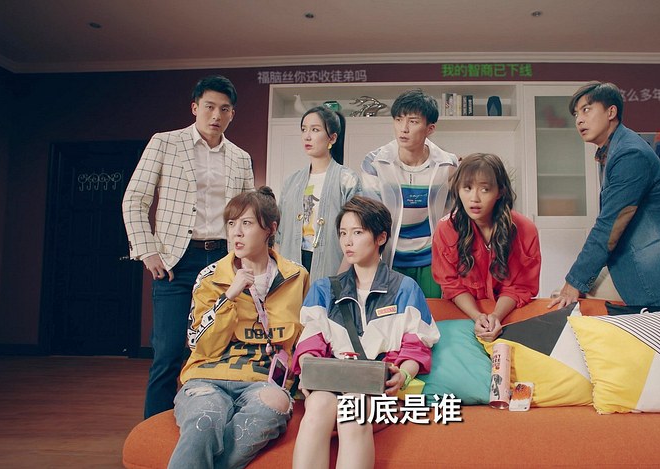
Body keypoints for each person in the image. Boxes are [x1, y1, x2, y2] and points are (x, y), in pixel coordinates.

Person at [122, 75, 255, 418]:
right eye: (209, 107)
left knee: (219, 348)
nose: (216, 115)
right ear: (195, 108)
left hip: (223, 261)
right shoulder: (165, 143)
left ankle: (207, 422)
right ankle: (154, 433)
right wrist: (148, 250)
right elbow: (134, 199)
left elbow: (248, 214)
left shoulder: (241, 157)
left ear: (232, 114)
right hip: (176, 261)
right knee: (167, 353)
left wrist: (248, 259)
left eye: (224, 109)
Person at [291, 196, 439, 469]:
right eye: (343, 233)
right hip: (330, 384)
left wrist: (403, 375)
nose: (348, 241)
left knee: (353, 409)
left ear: (381, 237)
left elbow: (416, 348)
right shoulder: (324, 289)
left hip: (377, 391)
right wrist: (307, 373)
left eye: (357, 232)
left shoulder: (405, 289)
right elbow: (309, 344)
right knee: (316, 408)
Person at [168, 187, 309, 469]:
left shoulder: (296, 276)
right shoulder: (211, 277)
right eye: (232, 224)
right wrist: (228, 296)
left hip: (263, 380)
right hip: (208, 377)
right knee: (206, 418)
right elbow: (199, 344)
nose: (237, 233)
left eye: (246, 223)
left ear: (271, 229)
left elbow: (302, 338)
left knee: (273, 406)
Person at [548, 81, 660, 310]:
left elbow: (610, 225)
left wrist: (574, 282)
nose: (579, 120)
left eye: (586, 110)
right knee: (563, 295)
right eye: (576, 114)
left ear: (611, 112)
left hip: (655, 266)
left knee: (567, 303)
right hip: (636, 257)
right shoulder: (616, 148)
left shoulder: (629, 154)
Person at [432, 153, 541, 341]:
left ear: (500, 192)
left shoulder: (525, 229)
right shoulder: (446, 229)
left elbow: (520, 286)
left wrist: (496, 316)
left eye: (485, 189)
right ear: (458, 189)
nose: (474, 198)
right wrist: (477, 317)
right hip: (464, 312)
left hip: (509, 311)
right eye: (467, 188)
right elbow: (452, 285)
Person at [361, 89, 458, 298]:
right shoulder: (375, 162)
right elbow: (371, 217)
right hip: (390, 257)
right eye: (398, 120)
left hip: (432, 258)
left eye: (413, 122)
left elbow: (453, 216)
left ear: (430, 128)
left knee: (432, 314)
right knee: (393, 315)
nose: (403, 128)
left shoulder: (448, 164)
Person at [277, 106, 361, 279]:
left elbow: (356, 235)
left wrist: (340, 279)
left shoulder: (347, 180)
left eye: (315, 130)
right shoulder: (291, 182)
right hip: (291, 267)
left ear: (332, 138)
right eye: (304, 129)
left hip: (331, 265)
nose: (307, 136)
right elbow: (279, 235)